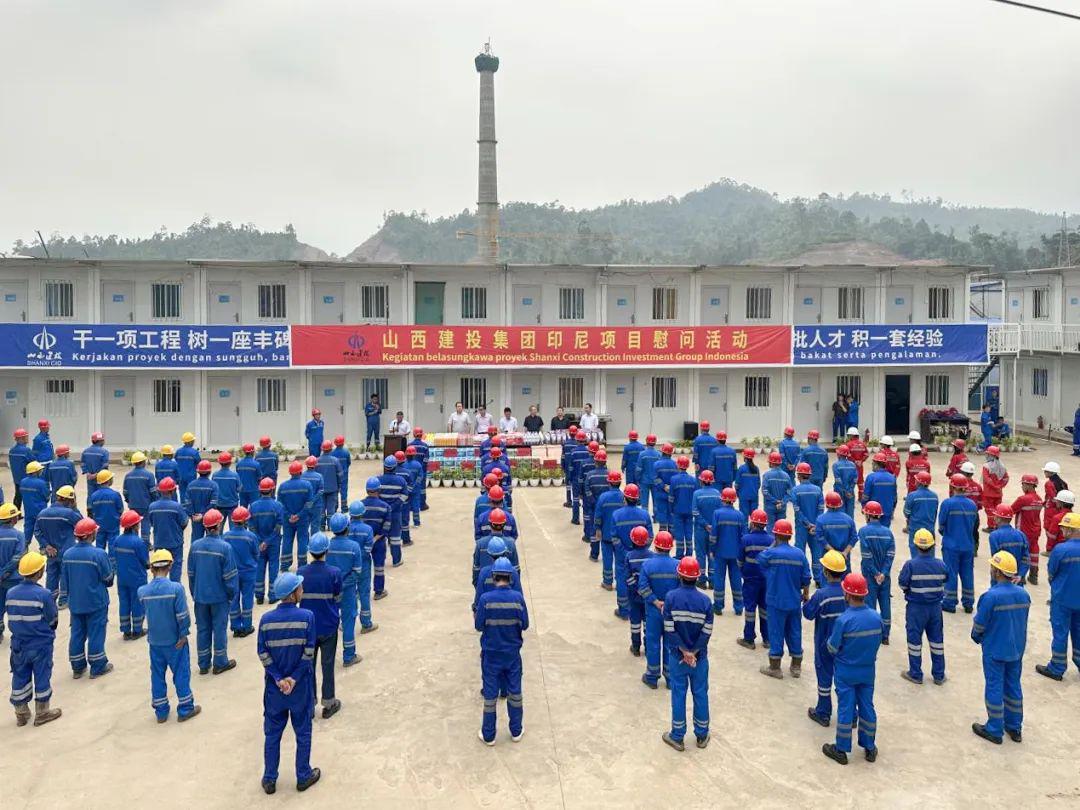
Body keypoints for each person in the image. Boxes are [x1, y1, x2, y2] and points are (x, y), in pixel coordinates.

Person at [257, 572, 321, 794]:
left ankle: (269, 779)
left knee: (272, 734)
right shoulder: (307, 617)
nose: (302, 590)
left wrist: (278, 678)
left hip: (275, 690)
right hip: (300, 687)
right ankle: (303, 775)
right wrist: (293, 679)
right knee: (303, 732)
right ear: (293, 594)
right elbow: (309, 653)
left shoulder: (265, 620)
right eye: (300, 588)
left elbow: (263, 653)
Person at [822, 572, 883, 765]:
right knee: (867, 706)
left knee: (846, 708)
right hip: (867, 671)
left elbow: (832, 648)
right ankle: (869, 747)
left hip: (846, 672)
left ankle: (841, 749)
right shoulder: (876, 617)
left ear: (847, 594)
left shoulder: (844, 620)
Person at [971, 551, 1030, 745]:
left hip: (995, 649)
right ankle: (1014, 726)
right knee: (1013, 685)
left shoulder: (990, 597)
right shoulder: (1023, 595)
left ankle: (995, 729)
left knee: (994, 686)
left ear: (997, 571)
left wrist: (976, 636)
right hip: (1016, 649)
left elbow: (980, 625)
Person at [139, 548, 200, 723]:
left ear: (152, 568)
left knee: (157, 675)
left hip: (155, 641)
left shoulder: (142, 591)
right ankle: (185, 708)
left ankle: (161, 712)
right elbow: (183, 616)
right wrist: (183, 634)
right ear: (170, 566)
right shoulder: (176, 589)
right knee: (181, 673)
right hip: (175, 641)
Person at [660, 556, 713, 752]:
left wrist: (683, 651)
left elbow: (669, 628)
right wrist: (694, 652)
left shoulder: (671, 598)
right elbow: (707, 631)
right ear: (697, 577)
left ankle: (677, 736)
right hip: (699, 659)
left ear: (679, 575)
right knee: (700, 693)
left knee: (678, 694)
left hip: (678, 658)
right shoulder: (705, 601)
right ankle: (702, 734)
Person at [475, 557, 528, 746]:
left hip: (491, 655)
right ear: (510, 577)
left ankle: (489, 735)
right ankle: (516, 731)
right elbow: (525, 624)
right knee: (515, 692)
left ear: (494, 576)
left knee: (490, 696)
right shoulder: (518, 598)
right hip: (512, 655)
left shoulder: (485, 600)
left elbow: (479, 626)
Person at [7, 551, 62, 726]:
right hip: (40, 644)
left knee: (19, 675)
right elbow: (52, 619)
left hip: (18, 644)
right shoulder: (44, 594)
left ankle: (21, 713)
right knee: (42, 675)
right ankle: (42, 712)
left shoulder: (11, 593)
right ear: (40, 572)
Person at [61, 518, 114, 679]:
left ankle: (77, 667)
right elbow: (108, 578)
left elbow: (65, 580)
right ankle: (98, 666)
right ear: (91, 534)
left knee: (77, 633)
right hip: (96, 601)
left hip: (76, 602)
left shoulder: (68, 555)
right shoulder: (99, 554)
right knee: (96, 633)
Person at [187, 509, 238, 675]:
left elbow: (191, 574)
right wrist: (231, 595)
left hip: (200, 597)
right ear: (219, 525)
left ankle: (203, 664)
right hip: (219, 597)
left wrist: (195, 593)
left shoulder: (195, 546)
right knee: (219, 629)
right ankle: (220, 662)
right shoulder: (225, 548)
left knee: (203, 629)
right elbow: (229, 577)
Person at [298, 532, 343, 719]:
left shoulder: (301, 573)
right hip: (328, 625)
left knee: (308, 665)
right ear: (327, 551)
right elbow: (338, 598)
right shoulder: (334, 573)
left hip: (308, 628)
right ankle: (329, 702)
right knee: (327, 664)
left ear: (310, 552)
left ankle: (309, 705)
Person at [759, 519, 811, 679]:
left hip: (776, 601)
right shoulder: (799, 554)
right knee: (794, 631)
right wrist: (806, 594)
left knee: (776, 632)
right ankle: (796, 666)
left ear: (775, 535)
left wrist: (772, 545)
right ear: (790, 536)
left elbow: (760, 560)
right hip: (794, 600)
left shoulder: (771, 553)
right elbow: (806, 578)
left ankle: (775, 667)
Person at [804, 550, 848, 727]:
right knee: (844, 679)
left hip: (824, 643)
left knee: (824, 676)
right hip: (845, 644)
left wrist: (806, 600)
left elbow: (808, 614)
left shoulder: (821, 595)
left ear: (826, 572)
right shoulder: (848, 593)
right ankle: (850, 715)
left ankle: (823, 713)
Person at [898, 529, 948, 685]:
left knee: (914, 641)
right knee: (937, 641)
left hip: (916, 608)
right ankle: (939, 675)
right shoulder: (940, 564)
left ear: (916, 545)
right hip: (935, 608)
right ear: (933, 546)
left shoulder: (910, 565)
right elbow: (945, 579)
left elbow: (902, 584)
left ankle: (916, 673)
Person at [1036, 512, 1080, 682]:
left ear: (1070, 530)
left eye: (1064, 529)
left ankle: (1057, 667)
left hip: (1062, 600)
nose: (1062, 532)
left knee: (1060, 633)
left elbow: (1052, 572)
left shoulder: (1061, 549)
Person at [638, 531, 679, 689]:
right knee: (670, 644)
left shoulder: (647, 565)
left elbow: (642, 588)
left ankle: (652, 676)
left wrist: (655, 602)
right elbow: (681, 589)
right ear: (671, 547)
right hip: (671, 611)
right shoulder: (677, 565)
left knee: (653, 642)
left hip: (653, 611)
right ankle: (670, 678)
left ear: (655, 546)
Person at [327, 510, 366, 667]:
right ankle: (349, 656)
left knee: (331, 621)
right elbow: (357, 572)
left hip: (331, 590)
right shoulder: (353, 547)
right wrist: (345, 584)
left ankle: (328, 658)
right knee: (348, 622)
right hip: (348, 591)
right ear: (347, 527)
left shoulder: (327, 546)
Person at [35, 484, 81, 608]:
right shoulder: (69, 513)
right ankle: (63, 600)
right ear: (69, 500)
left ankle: (50, 600)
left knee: (51, 575)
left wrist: (46, 546)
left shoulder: (42, 513)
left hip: (51, 552)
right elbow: (82, 525)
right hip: (67, 550)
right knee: (65, 574)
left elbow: (37, 532)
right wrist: (75, 509)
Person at [611, 487, 653, 620]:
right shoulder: (644, 515)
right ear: (637, 498)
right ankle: (643, 609)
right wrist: (642, 550)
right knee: (643, 580)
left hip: (622, 555)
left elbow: (614, 538)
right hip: (642, 556)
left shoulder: (616, 515)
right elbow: (650, 536)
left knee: (622, 580)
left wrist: (625, 553)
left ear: (625, 498)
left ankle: (624, 610)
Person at [940, 474, 980, 613]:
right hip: (968, 545)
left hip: (951, 545)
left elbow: (941, 525)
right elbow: (975, 525)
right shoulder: (972, 505)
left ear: (952, 487)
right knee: (967, 573)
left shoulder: (947, 503)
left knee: (951, 573)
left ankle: (949, 603)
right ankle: (968, 603)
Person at [858, 501, 895, 645]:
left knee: (870, 604)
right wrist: (883, 573)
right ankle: (885, 636)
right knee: (885, 604)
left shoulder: (863, 532)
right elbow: (890, 555)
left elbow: (866, 556)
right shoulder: (888, 533)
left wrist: (875, 573)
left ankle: (872, 633)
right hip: (885, 577)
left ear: (868, 515)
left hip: (870, 575)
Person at [736, 510, 772, 650]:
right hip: (766, 581)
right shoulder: (771, 540)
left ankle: (749, 639)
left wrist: (743, 572)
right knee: (765, 609)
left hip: (750, 580)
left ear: (753, 523)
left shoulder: (746, 539)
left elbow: (740, 560)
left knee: (750, 609)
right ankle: (767, 639)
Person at [113, 510, 149, 639]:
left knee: (124, 602)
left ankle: (126, 631)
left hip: (122, 578)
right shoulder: (138, 542)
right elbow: (146, 562)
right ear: (135, 526)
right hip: (137, 578)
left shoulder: (117, 540)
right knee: (137, 603)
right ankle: (137, 630)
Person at [224, 507, 259, 637]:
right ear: (245, 521)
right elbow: (256, 554)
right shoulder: (251, 537)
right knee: (247, 598)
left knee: (233, 599)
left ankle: (236, 627)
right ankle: (247, 626)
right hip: (248, 572)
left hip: (232, 573)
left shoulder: (226, 536)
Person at [708, 487, 743, 616]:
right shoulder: (739, 515)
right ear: (734, 500)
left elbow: (713, 535)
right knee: (736, 579)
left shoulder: (717, 514)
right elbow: (742, 537)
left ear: (722, 499)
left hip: (720, 552)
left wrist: (712, 549)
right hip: (736, 553)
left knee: (719, 579)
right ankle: (739, 607)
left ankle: (718, 606)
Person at [146, 477, 188, 583]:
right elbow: (184, 522)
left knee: (159, 568)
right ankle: (175, 589)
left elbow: (152, 523)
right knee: (176, 568)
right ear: (173, 490)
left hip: (159, 542)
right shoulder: (177, 507)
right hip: (175, 542)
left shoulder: (152, 507)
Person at [250, 478, 284, 603]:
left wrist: (261, 541)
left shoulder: (253, 506)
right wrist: (268, 541)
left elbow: (251, 527)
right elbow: (278, 526)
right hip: (273, 542)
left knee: (259, 567)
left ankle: (259, 596)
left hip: (258, 543)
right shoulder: (278, 506)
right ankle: (273, 596)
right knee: (273, 567)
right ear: (272, 490)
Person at [278, 461, 314, 572]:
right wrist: (299, 515)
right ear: (301, 472)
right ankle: (302, 564)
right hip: (302, 519)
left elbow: (280, 505)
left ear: (290, 472)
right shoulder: (307, 485)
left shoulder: (283, 486)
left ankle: (285, 564)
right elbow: (309, 504)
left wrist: (290, 515)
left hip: (288, 520)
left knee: (287, 540)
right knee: (302, 540)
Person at [815, 492, 857, 588]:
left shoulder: (821, 520)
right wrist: (845, 552)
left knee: (827, 587)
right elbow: (854, 537)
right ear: (840, 504)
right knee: (845, 587)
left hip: (828, 559)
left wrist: (834, 552)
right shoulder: (848, 519)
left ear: (826, 505)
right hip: (844, 558)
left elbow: (820, 538)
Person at [361, 478, 392, 599]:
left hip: (363, 542)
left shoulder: (360, 505)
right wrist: (375, 538)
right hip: (379, 542)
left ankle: (361, 591)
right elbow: (387, 527)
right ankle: (379, 591)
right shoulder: (385, 507)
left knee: (362, 566)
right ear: (379, 490)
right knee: (379, 567)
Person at [626, 525, 654, 657]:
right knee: (648, 622)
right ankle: (648, 647)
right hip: (648, 595)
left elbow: (627, 577)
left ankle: (636, 647)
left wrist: (636, 589)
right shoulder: (652, 556)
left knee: (635, 622)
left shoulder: (629, 556)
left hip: (634, 596)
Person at [0, 503, 26, 643]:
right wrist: (4, 572)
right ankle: (18, 635)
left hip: (1, 580)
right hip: (14, 579)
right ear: (13, 519)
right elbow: (18, 557)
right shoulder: (19, 536)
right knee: (17, 609)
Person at [1010, 474, 1043, 585]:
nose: (1022, 486)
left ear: (1029, 485)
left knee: (1021, 553)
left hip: (1023, 531)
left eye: (1023, 484)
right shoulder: (1039, 499)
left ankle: (1021, 575)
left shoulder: (1023, 499)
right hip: (1036, 530)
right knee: (1034, 552)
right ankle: (1034, 576)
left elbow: (1011, 510)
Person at [790, 462, 824, 567]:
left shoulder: (795, 490)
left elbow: (797, 511)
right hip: (816, 527)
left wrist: (807, 523)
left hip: (802, 527)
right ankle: (818, 576)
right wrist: (815, 525)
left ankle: (801, 575)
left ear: (799, 476)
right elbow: (821, 510)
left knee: (800, 554)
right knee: (817, 554)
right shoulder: (818, 490)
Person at [691, 470, 721, 587]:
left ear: (701, 481)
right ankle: (712, 580)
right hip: (713, 529)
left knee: (701, 554)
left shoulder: (697, 494)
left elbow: (695, 512)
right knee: (712, 554)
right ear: (712, 481)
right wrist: (712, 526)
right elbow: (719, 512)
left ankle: (702, 580)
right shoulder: (717, 494)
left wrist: (705, 525)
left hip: (700, 529)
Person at [595, 474, 627, 582]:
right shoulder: (624, 497)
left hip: (606, 534)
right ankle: (620, 582)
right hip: (620, 536)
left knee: (607, 559)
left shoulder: (603, 497)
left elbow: (598, 515)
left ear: (608, 483)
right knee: (620, 561)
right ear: (620, 483)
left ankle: (607, 582)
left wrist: (598, 529)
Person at [988, 505, 1030, 585]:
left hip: (1000, 579)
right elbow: (1026, 558)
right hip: (1016, 580)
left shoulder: (994, 536)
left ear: (999, 519)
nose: (994, 518)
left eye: (995, 516)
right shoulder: (1021, 534)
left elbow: (996, 560)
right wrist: (1020, 575)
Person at [87, 469, 123, 562]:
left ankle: (99, 563)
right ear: (108, 481)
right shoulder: (115, 495)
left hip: (99, 525)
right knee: (113, 546)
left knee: (99, 546)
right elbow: (120, 510)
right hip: (113, 525)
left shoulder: (94, 496)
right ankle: (112, 566)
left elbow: (90, 511)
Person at [903, 472, 939, 559]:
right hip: (929, 528)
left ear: (918, 482)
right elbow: (935, 513)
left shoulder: (912, 496)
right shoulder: (934, 496)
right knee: (930, 552)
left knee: (915, 552)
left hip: (915, 528)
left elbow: (906, 512)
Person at [123, 452, 158, 542]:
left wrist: (129, 501)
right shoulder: (149, 475)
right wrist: (154, 502)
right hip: (146, 505)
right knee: (145, 524)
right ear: (143, 462)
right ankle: (145, 543)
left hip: (133, 504)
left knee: (133, 524)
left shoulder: (128, 476)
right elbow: (153, 492)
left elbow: (125, 492)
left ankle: (134, 542)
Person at [669, 455, 697, 559]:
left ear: (678, 465)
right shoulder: (693, 480)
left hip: (678, 510)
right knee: (689, 532)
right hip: (689, 511)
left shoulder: (674, 479)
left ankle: (679, 554)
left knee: (679, 533)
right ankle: (689, 553)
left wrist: (671, 509)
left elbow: (671, 497)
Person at [584, 452, 612, 551]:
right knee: (606, 526)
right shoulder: (610, 474)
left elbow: (587, 490)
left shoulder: (590, 475)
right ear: (605, 462)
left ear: (595, 462)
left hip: (594, 506)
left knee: (594, 528)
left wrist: (593, 502)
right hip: (607, 507)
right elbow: (612, 489)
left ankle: (594, 553)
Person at [184, 460, 218, 544]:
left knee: (196, 541)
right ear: (210, 472)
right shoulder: (213, 485)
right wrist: (203, 515)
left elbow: (187, 502)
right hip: (209, 518)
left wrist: (192, 515)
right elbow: (213, 503)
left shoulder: (191, 485)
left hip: (195, 518)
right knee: (211, 541)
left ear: (198, 471)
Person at [862, 454, 897, 530]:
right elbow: (894, 497)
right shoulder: (892, 478)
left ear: (876, 464)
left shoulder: (871, 477)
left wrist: (864, 506)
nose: (872, 465)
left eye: (872, 463)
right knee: (885, 531)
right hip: (887, 510)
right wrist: (892, 509)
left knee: (872, 531)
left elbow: (866, 495)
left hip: (873, 511)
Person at [762, 451, 791, 531]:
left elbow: (765, 492)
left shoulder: (767, 475)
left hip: (770, 507)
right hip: (782, 507)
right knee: (781, 528)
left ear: (771, 463)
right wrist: (782, 502)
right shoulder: (786, 476)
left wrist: (775, 501)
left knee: (770, 528)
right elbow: (789, 493)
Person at [315, 442, 343, 527]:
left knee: (321, 508)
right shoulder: (335, 461)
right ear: (331, 449)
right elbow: (340, 475)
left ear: (322, 449)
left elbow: (315, 475)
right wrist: (339, 485)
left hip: (321, 489)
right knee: (331, 508)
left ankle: (322, 526)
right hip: (333, 489)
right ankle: (331, 526)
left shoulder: (317, 461)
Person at [651, 443, 678, 532]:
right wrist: (670, 487)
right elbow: (677, 478)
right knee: (671, 512)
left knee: (661, 512)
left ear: (662, 452)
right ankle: (671, 533)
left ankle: (662, 533)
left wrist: (663, 486)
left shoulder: (656, 464)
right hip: (671, 493)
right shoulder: (675, 464)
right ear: (671, 453)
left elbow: (654, 478)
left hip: (660, 493)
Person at [301, 456, 326, 549]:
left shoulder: (302, 476)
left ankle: (306, 545)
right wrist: (312, 501)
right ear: (315, 465)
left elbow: (301, 492)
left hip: (304, 506)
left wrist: (307, 502)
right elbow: (321, 491)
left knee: (304, 526)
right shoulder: (319, 476)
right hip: (316, 506)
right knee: (315, 526)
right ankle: (314, 545)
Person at [212, 452, 241, 528]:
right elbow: (239, 488)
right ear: (230, 463)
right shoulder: (235, 475)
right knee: (233, 528)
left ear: (219, 462)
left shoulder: (215, 475)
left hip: (219, 505)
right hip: (232, 505)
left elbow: (213, 490)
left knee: (219, 528)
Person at [981, 447, 1009, 526]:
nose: (986, 455)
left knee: (989, 510)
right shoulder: (1002, 466)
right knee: (997, 510)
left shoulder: (986, 466)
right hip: (998, 493)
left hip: (988, 493)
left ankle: (991, 526)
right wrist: (1000, 486)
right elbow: (1006, 478)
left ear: (991, 455)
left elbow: (986, 479)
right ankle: (997, 525)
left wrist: (994, 486)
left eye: (988, 454)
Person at [634, 434, 660, 513]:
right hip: (655, 482)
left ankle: (645, 517)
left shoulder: (642, 454)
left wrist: (637, 479)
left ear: (646, 442)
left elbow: (638, 469)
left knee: (644, 502)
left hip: (644, 481)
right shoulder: (659, 454)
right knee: (656, 502)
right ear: (655, 442)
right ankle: (656, 517)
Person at [9, 428, 33, 510]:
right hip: (26, 478)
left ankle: (16, 513)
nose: (27, 438)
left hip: (16, 478)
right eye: (26, 437)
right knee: (28, 497)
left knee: (18, 496)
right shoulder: (26, 450)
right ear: (21, 438)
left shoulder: (11, 451)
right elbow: (33, 462)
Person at [407, 428, 430, 511]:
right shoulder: (425, 446)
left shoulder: (409, 445)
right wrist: (422, 470)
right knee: (422, 488)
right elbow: (426, 460)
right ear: (421, 435)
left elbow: (407, 458)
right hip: (421, 471)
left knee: (410, 487)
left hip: (410, 471)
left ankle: (410, 506)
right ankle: (422, 505)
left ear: (414, 434)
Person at [81, 433, 109, 498]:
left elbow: (83, 464)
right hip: (101, 479)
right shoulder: (104, 452)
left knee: (91, 495)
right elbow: (105, 466)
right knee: (101, 496)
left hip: (89, 478)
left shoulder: (85, 451)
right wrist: (96, 475)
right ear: (100, 441)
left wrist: (88, 473)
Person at [175, 432, 201, 503]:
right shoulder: (194, 452)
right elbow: (199, 463)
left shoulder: (178, 451)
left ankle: (183, 506)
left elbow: (176, 461)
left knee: (182, 493)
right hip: (191, 476)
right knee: (191, 493)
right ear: (190, 442)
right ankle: (191, 507)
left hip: (180, 476)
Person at [403, 446, 425, 529]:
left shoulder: (403, 465)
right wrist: (414, 485)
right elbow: (420, 477)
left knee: (405, 506)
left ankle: (405, 522)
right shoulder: (418, 465)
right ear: (414, 455)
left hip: (406, 489)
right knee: (415, 506)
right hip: (415, 489)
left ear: (406, 454)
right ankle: (416, 523)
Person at [735, 448, 761, 519]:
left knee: (744, 517)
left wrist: (738, 494)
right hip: (754, 496)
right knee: (754, 518)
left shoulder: (741, 468)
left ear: (744, 457)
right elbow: (758, 484)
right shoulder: (756, 469)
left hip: (743, 496)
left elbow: (737, 484)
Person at [845, 428, 869, 499]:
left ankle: (850, 497)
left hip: (851, 466)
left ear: (852, 435)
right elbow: (866, 454)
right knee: (860, 482)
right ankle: (861, 497)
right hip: (860, 466)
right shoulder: (862, 444)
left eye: (849, 435)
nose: (848, 437)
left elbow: (848, 455)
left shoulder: (848, 444)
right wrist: (861, 461)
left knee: (850, 481)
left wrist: (854, 461)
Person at [330, 436, 351, 513]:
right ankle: (344, 508)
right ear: (343, 443)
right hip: (344, 475)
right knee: (344, 491)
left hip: (335, 476)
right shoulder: (346, 452)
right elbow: (349, 463)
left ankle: (335, 507)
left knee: (335, 491)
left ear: (335, 443)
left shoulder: (332, 453)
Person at [236, 444, 261, 509]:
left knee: (243, 510)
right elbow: (260, 478)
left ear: (244, 452)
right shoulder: (256, 464)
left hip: (242, 491)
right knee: (255, 509)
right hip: (254, 490)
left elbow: (237, 476)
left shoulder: (239, 463)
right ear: (253, 452)